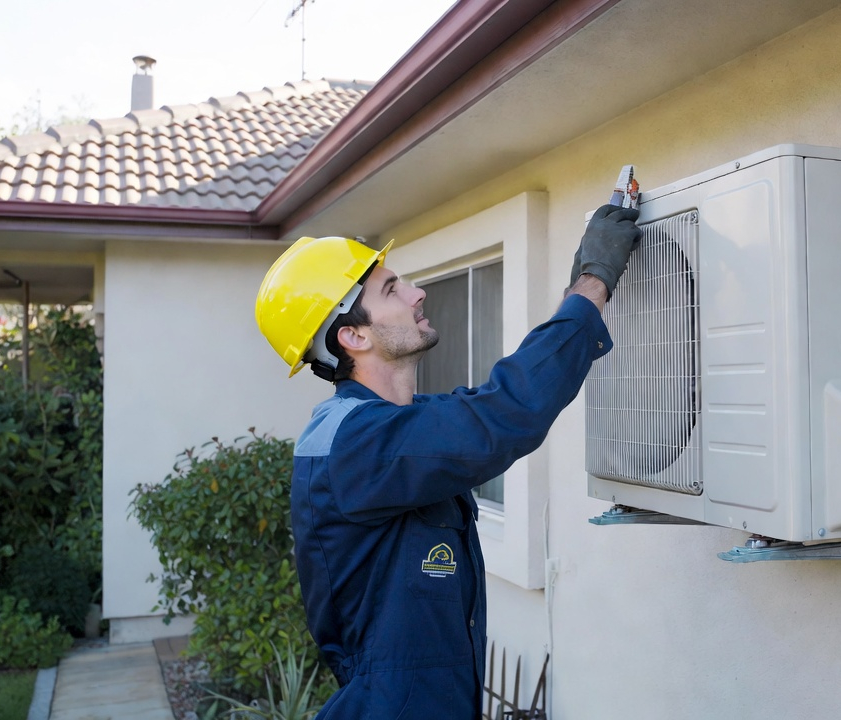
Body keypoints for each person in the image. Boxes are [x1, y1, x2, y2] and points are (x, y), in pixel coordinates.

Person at [254, 204, 642, 719]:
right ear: (354, 336)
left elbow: (487, 406)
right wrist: (594, 282)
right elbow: (505, 413)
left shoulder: (385, 428)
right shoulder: (357, 444)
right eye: (392, 290)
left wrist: (573, 301)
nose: (418, 294)